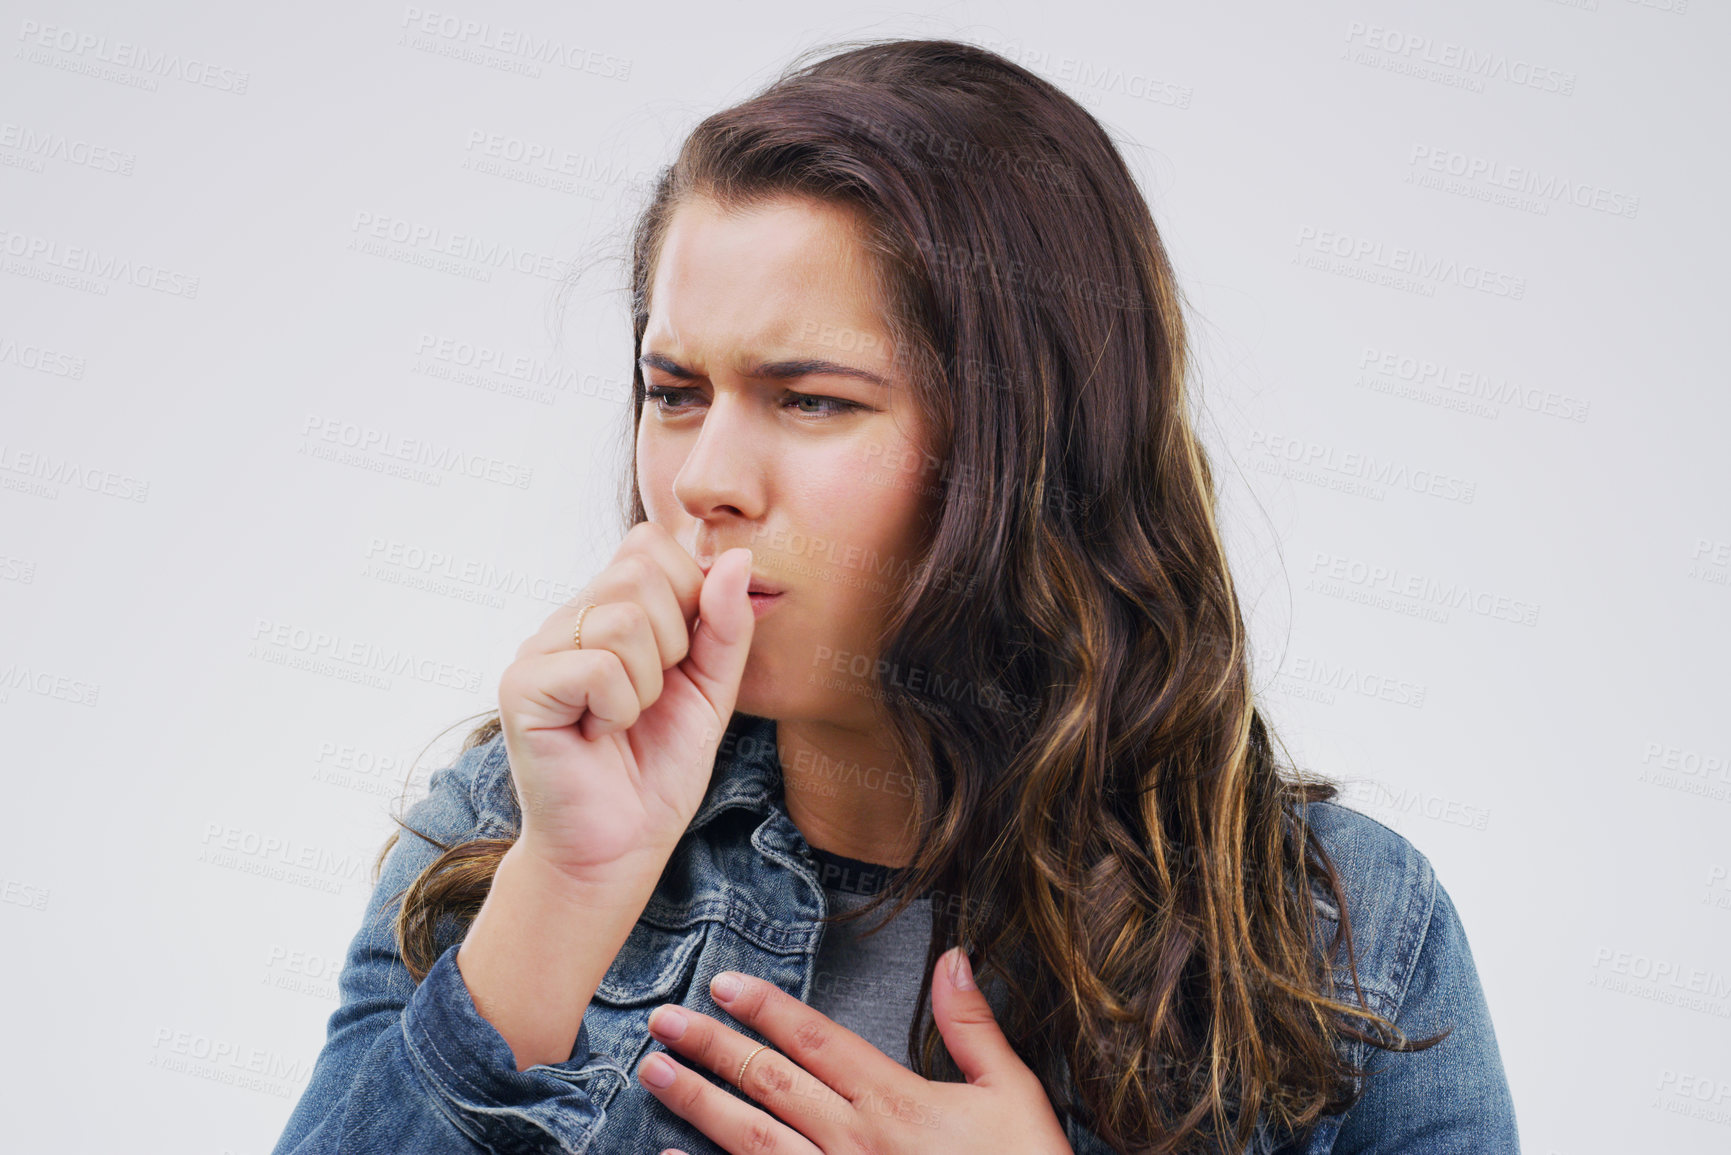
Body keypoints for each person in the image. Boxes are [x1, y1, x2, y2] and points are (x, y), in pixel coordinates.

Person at [271, 37, 1519, 1155]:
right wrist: (568, 890)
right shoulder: (511, 825)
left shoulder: (1339, 940)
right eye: (676, 392)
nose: (703, 480)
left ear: (1030, 448)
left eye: (812, 400)